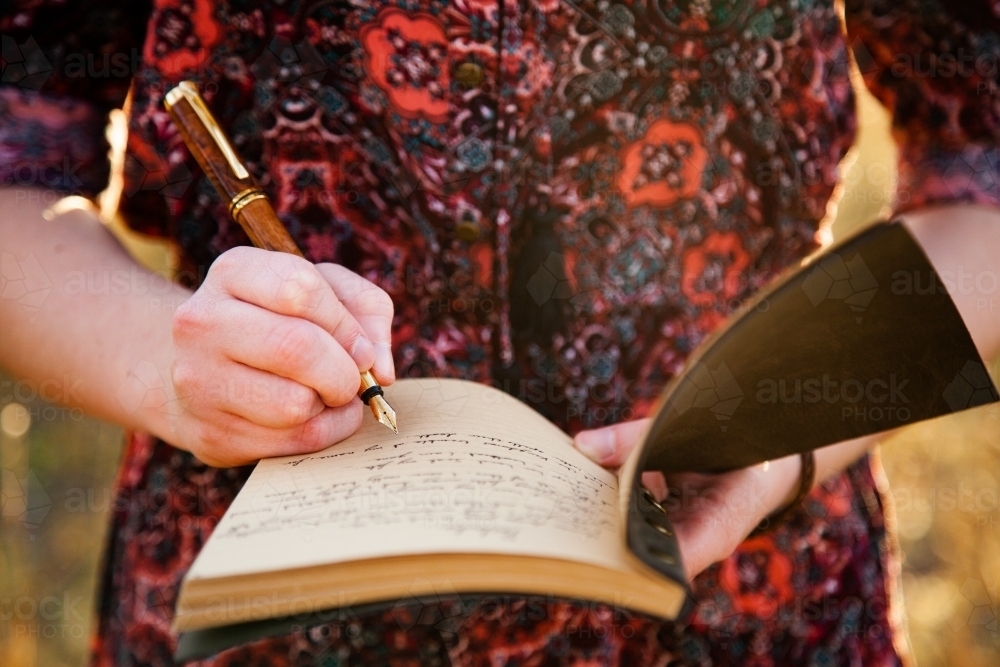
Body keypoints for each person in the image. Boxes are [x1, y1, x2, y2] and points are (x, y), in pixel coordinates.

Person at [1, 0, 998, 664]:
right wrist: (162, 360)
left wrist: (791, 425)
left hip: (744, 596)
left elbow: (982, 170)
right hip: (274, 596)